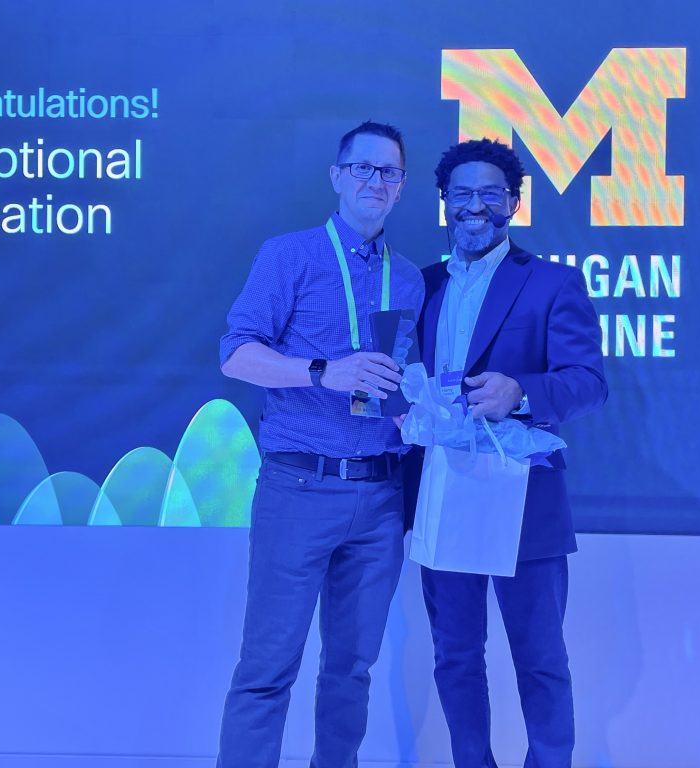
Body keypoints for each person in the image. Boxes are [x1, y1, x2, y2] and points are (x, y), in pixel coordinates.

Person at [216, 121, 424, 768]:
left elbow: (399, 379)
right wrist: (321, 372)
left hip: (380, 496)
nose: (375, 181)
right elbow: (235, 354)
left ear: (401, 187)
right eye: (363, 168)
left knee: (351, 672)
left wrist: (414, 412)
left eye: (389, 172)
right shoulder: (290, 256)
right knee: (268, 667)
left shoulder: (408, 278)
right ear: (337, 176)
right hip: (299, 487)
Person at [415, 138, 607, 768]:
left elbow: (589, 382)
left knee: (540, 659)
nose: (476, 206)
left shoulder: (552, 282)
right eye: (462, 193)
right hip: (444, 488)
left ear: (514, 204)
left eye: (490, 194)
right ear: (444, 203)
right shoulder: (422, 286)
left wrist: (520, 391)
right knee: (455, 656)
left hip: (524, 498)